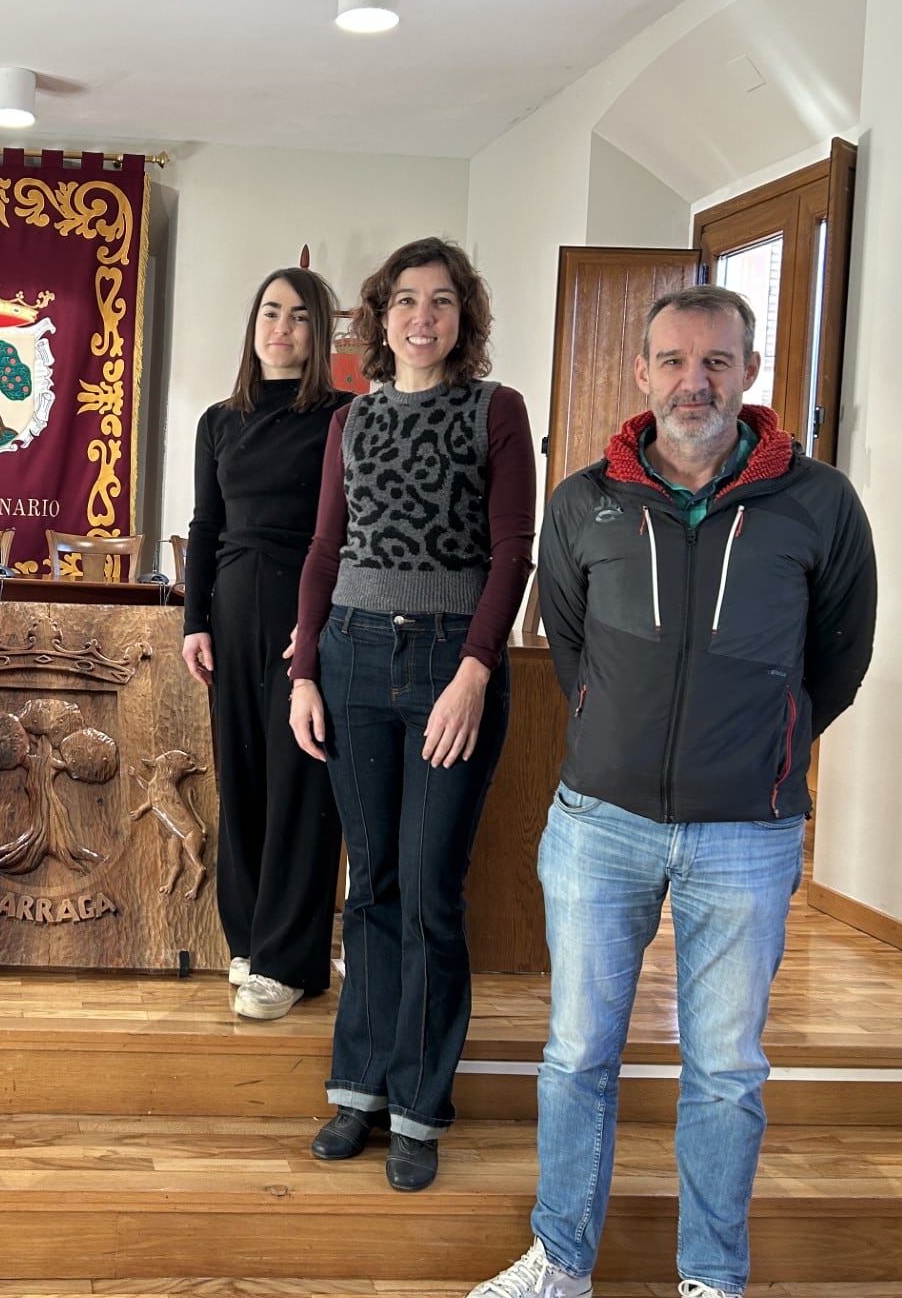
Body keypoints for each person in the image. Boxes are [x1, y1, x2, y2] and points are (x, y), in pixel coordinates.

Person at [468, 284, 877, 1298]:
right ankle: (561, 1261)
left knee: (727, 1070)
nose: (695, 380)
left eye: (718, 361)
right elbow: (569, 647)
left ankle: (711, 1277)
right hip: (599, 826)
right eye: (674, 361)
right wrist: (622, 729)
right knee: (574, 1055)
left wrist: (761, 748)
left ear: (749, 372)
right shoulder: (581, 502)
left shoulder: (819, 504)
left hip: (748, 834)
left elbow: (840, 655)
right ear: (641, 372)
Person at [288, 236, 536, 1192]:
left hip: (448, 664)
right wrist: (305, 667)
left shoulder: (496, 411)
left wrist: (475, 669)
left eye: (440, 302)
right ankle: (360, 1088)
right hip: (350, 656)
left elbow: (512, 550)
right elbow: (322, 550)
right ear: (379, 318)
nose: (421, 318)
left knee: (430, 887)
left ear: (463, 317)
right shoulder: (351, 421)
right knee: (372, 884)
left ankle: (421, 1106)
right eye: (404, 302)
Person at [181, 267, 350, 1021]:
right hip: (232, 606)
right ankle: (249, 940)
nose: (280, 328)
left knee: (300, 787)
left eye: (299, 317)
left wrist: (314, 631)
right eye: (270, 312)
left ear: (320, 333)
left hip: (306, 609)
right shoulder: (219, 420)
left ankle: (291, 959)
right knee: (242, 782)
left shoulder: (345, 416)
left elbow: (345, 531)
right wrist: (195, 622)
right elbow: (207, 526)